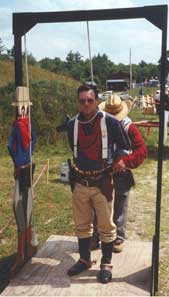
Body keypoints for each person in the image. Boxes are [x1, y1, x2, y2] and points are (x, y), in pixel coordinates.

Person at [66, 84, 131, 284]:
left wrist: (120, 159)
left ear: (96, 101)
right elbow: (74, 149)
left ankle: (106, 263)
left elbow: (125, 146)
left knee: (106, 225)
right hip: (79, 181)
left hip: (103, 181)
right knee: (82, 224)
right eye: (82, 100)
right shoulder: (72, 124)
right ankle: (85, 259)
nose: (86, 104)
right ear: (78, 102)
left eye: (90, 100)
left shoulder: (110, 122)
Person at [91, 94, 147, 253]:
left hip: (122, 171)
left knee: (120, 204)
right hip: (102, 170)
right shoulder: (100, 124)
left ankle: (118, 237)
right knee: (98, 204)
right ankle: (96, 237)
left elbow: (142, 150)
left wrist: (125, 161)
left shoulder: (129, 127)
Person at [8, 86, 37, 275]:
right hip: (21, 170)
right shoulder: (17, 126)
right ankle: (22, 251)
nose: (23, 111)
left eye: (25, 107)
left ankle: (28, 246)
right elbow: (11, 146)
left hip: (28, 169)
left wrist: (27, 159)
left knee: (27, 207)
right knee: (18, 205)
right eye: (21, 108)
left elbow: (32, 141)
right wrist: (18, 163)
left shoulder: (27, 125)